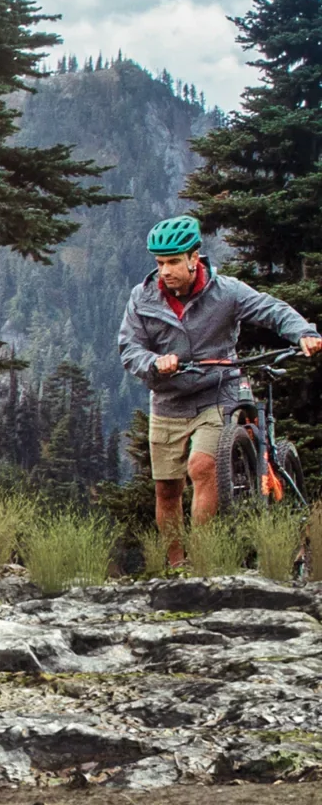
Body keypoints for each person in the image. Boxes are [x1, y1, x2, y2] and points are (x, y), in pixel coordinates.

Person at [120, 215, 322, 566]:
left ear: (193, 259)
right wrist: (155, 363)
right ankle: (175, 565)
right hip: (168, 400)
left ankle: (202, 560)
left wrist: (304, 332)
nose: (164, 271)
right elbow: (129, 349)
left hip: (219, 393)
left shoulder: (225, 291)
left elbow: (270, 309)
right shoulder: (143, 298)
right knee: (167, 489)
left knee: (202, 467)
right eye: (159, 263)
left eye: (172, 262)